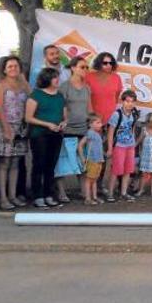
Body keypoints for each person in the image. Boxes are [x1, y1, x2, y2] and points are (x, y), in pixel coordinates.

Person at [0, 56, 31, 210]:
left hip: (21, 128)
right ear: (4, 69)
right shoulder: (0, 86)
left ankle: (13, 195)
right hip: (5, 127)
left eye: (16, 66)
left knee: (16, 163)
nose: (13, 69)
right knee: (4, 163)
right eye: (10, 67)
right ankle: (3, 197)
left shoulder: (23, 85)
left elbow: (31, 97)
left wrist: (24, 81)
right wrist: (6, 128)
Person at [25, 67, 67, 208]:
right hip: (39, 135)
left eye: (57, 77)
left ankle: (48, 194)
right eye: (54, 77)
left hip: (56, 134)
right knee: (39, 165)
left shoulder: (60, 96)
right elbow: (28, 117)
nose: (57, 80)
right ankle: (37, 196)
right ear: (47, 79)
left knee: (51, 166)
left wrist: (63, 123)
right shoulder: (36, 95)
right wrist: (47, 124)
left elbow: (64, 115)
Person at [54, 56, 93, 203]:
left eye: (86, 67)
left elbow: (89, 108)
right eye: (82, 67)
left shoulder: (87, 87)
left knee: (83, 161)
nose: (85, 70)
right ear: (73, 68)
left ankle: (84, 191)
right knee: (62, 161)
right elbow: (60, 107)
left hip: (83, 128)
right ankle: (61, 192)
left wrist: (93, 123)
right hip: (67, 129)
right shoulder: (64, 87)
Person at [105, 90, 140, 202]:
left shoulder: (134, 115)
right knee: (116, 170)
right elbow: (110, 132)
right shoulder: (117, 115)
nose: (130, 104)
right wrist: (110, 148)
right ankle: (110, 193)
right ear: (122, 101)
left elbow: (133, 129)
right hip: (119, 146)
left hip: (129, 146)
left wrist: (133, 143)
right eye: (127, 101)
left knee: (128, 170)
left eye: (132, 101)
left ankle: (123, 193)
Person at [85, 52, 123, 130]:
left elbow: (117, 96)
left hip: (110, 117)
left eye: (110, 63)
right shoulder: (89, 77)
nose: (108, 65)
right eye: (105, 63)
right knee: (91, 139)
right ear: (99, 63)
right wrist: (91, 115)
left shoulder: (116, 77)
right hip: (93, 116)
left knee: (103, 140)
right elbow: (85, 97)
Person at [77, 114, 105, 205]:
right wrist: (82, 158)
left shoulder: (97, 134)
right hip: (92, 160)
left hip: (98, 160)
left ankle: (95, 197)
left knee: (94, 179)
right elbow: (80, 145)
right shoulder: (90, 133)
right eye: (98, 123)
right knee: (89, 180)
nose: (100, 124)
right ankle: (88, 198)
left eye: (100, 122)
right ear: (90, 124)